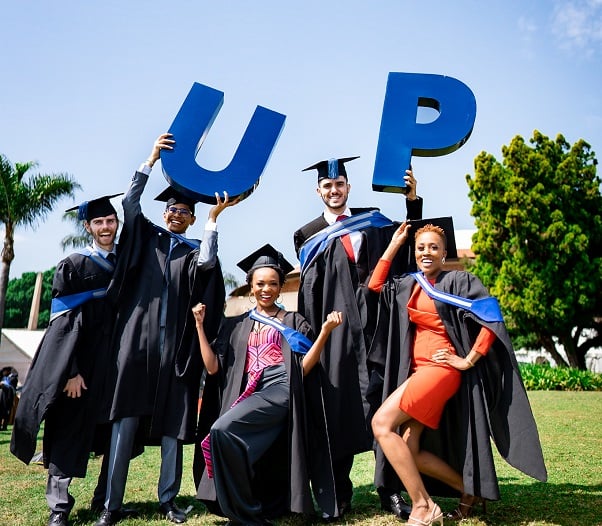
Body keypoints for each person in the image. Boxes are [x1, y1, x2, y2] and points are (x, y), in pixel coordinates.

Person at [95, 133, 235, 526]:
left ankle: (168, 500)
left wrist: (211, 221)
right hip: (136, 344)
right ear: (165, 212)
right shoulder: (145, 236)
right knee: (124, 422)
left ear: (190, 217)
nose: (176, 214)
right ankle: (111, 503)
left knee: (175, 423)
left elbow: (208, 264)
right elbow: (129, 204)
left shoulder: (192, 251)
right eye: (172, 209)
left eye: (184, 212)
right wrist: (150, 160)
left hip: (175, 348)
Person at [368, 221, 547, 525]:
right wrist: (395, 243)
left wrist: (467, 360)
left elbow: (490, 319)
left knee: (381, 424)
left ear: (444, 252)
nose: (427, 253)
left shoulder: (460, 280)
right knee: (410, 446)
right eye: (421, 247)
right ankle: (469, 491)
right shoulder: (409, 284)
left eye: (434, 247)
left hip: (440, 370)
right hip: (418, 371)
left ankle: (424, 506)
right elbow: (374, 285)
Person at [293, 156, 422, 519]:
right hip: (336, 338)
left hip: (376, 330)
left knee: (385, 409)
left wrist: (412, 202)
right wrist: (313, 339)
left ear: (348, 187)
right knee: (337, 411)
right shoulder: (308, 234)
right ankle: (340, 494)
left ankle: (390, 492)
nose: (334, 191)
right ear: (318, 191)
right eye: (327, 186)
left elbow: (407, 243)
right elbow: (310, 294)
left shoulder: (374, 220)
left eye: (339, 185)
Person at [194, 244, 343, 525]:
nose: (266, 289)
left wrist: (324, 333)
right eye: (260, 283)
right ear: (250, 285)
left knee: (221, 429)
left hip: (282, 387)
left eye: (273, 284)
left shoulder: (293, 321)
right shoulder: (235, 325)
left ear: (280, 286)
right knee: (222, 437)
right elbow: (213, 367)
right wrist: (200, 327)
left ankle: (246, 515)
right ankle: (247, 509)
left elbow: (304, 368)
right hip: (248, 392)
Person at [10, 194, 122, 526]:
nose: (105, 227)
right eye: (99, 222)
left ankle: (105, 501)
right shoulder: (74, 265)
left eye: (110, 221)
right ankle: (59, 507)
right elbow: (63, 324)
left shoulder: (125, 264)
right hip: (81, 368)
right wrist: (70, 372)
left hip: (115, 365)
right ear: (88, 227)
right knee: (66, 432)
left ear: (117, 224)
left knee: (114, 434)